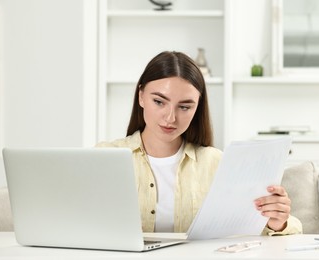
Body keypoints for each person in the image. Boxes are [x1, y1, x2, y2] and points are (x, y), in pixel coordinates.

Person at [96, 51, 302, 235]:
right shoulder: (103, 157)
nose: (170, 118)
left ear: (197, 108)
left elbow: (286, 228)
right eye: (159, 102)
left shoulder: (217, 163)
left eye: (184, 107)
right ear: (141, 96)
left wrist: (278, 222)